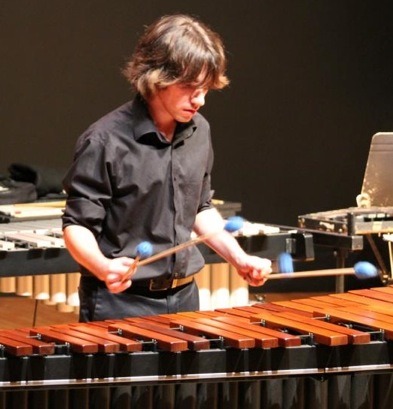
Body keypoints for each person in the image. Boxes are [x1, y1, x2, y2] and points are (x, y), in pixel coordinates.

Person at [62, 13, 272, 324]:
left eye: (206, 88)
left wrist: (239, 258)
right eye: (189, 87)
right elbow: (76, 225)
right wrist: (103, 267)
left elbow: (200, 208)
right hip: (122, 302)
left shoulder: (200, 130)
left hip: (186, 298)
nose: (200, 99)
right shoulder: (105, 140)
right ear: (157, 77)